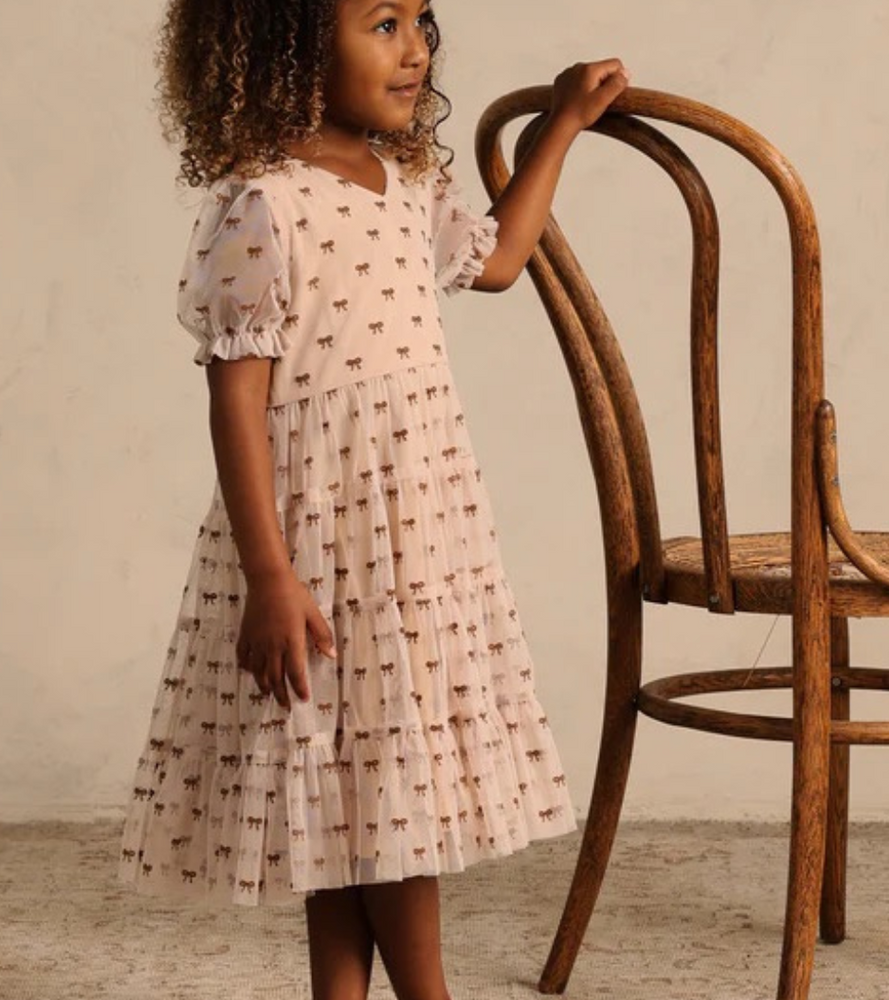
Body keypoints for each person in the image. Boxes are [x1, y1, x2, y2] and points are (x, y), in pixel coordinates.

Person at [117, 1, 629, 998]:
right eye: (382, 22)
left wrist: (557, 128)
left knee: (363, 790)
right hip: (316, 536)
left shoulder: (405, 181)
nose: (416, 48)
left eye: (422, 21)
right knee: (373, 789)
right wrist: (269, 572)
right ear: (290, 45)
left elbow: (499, 260)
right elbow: (236, 397)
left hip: (413, 535)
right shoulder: (264, 202)